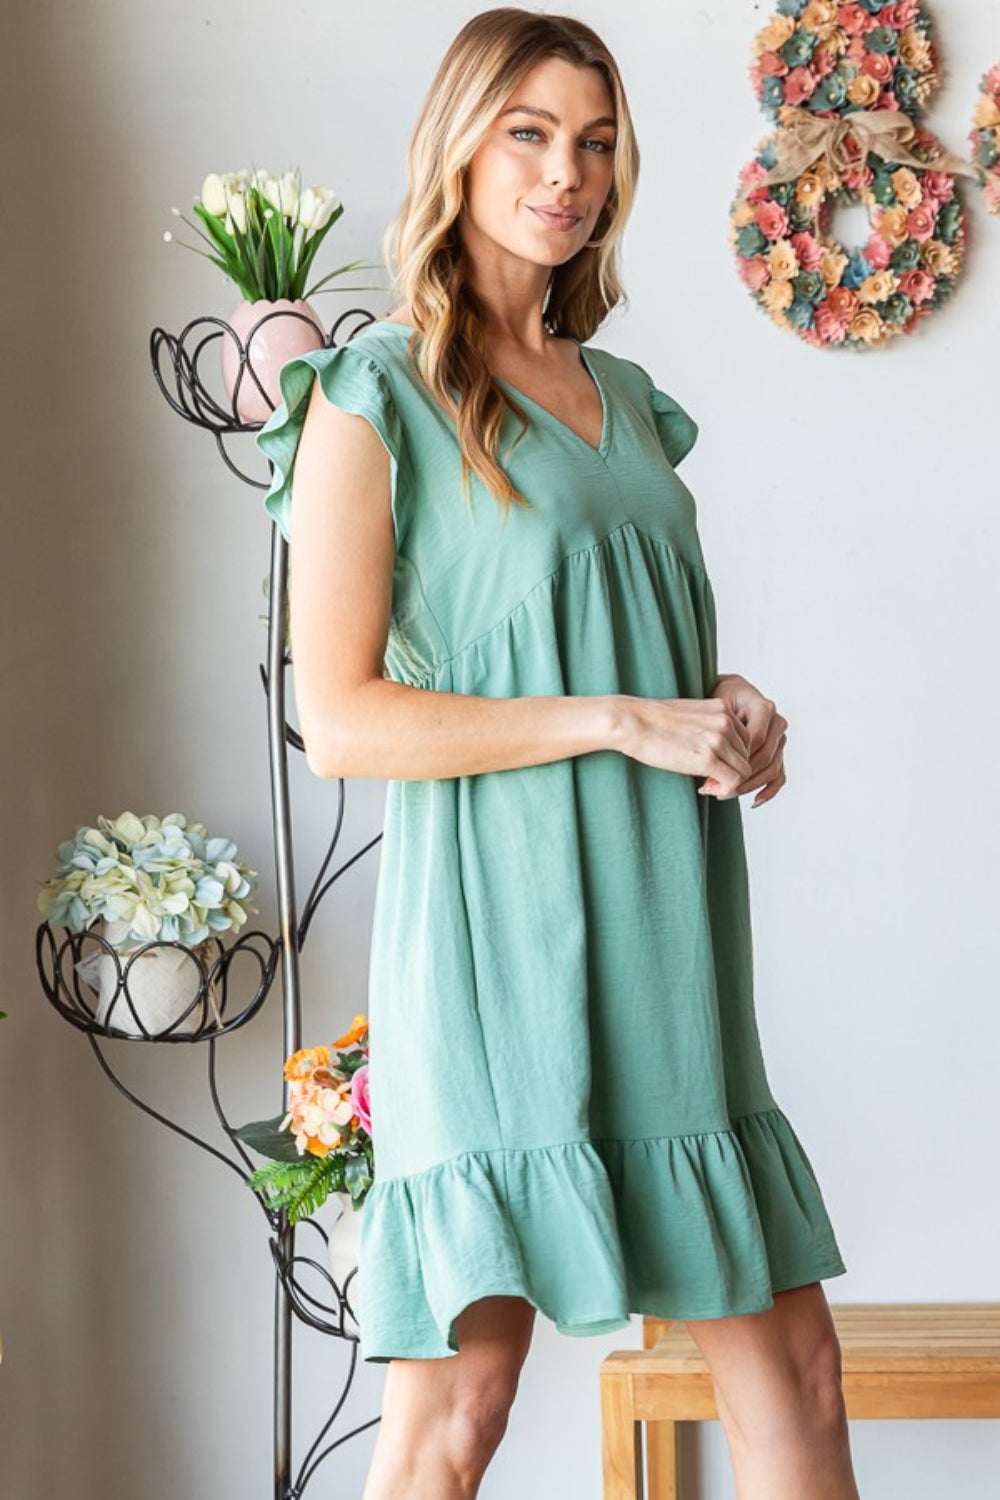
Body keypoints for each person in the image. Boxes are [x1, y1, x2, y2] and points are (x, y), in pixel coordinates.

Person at [255, 8, 862, 1499]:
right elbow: (338, 721)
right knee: (461, 1406)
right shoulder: (370, 395)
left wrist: (722, 704)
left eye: (595, 141)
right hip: (495, 946)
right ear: (457, 145)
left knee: (794, 1370)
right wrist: (614, 718)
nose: (565, 172)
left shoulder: (631, 405)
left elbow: (620, 637)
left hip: (669, 938)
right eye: (528, 131)